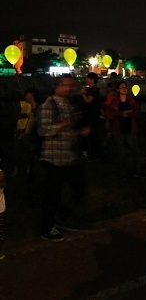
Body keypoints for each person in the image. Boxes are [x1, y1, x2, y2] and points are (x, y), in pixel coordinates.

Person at [37, 75, 92, 241]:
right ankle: (46, 227)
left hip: (69, 157)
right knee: (52, 195)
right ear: (57, 86)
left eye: (71, 85)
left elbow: (67, 130)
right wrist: (64, 123)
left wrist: (79, 132)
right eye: (65, 85)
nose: (69, 88)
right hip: (53, 159)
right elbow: (43, 130)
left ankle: (63, 217)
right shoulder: (49, 105)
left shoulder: (69, 104)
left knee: (79, 189)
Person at [110, 81, 144, 179]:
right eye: (122, 87)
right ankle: (123, 172)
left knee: (135, 152)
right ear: (117, 90)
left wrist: (123, 113)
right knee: (121, 152)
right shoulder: (115, 101)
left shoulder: (131, 100)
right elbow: (115, 112)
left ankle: (137, 171)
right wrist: (126, 112)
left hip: (130, 129)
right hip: (119, 129)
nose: (124, 89)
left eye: (125, 87)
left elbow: (134, 112)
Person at [81, 72, 101, 161]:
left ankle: (93, 155)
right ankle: (92, 154)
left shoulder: (94, 90)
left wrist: (83, 94)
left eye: (88, 78)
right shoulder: (92, 89)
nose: (86, 80)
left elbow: (88, 101)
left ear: (92, 80)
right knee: (91, 135)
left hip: (92, 115)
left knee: (92, 135)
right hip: (91, 115)